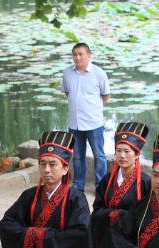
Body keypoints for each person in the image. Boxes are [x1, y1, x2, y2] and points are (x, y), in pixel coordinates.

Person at [62, 42, 110, 192]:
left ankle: (100, 187)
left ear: (88, 55)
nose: (77, 57)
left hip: (94, 123)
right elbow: (67, 93)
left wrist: (90, 108)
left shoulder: (99, 73)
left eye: (80, 54)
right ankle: (78, 185)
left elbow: (106, 96)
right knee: (77, 157)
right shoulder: (67, 73)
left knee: (99, 156)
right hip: (74, 124)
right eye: (74, 54)